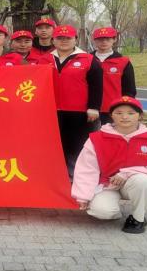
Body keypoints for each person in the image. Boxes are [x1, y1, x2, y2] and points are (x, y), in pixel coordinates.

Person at [72, 97, 147, 234]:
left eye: (131, 113)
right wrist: (83, 195)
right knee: (102, 211)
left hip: (135, 183)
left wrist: (127, 173)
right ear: (111, 115)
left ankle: (137, 218)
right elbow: (86, 168)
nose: (125, 117)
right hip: (107, 185)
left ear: (140, 116)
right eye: (119, 113)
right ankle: (113, 208)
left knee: (143, 182)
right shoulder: (97, 138)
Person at [39, 25, 103, 179]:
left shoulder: (88, 60)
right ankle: (57, 178)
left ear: (75, 39)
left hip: (79, 112)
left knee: (77, 145)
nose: (64, 41)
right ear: (53, 40)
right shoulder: (44, 60)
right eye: (60, 38)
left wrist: (94, 107)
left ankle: (77, 178)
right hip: (51, 110)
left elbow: (97, 86)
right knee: (55, 145)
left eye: (68, 38)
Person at [91, 27, 137, 124]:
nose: (104, 42)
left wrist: (126, 108)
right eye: (100, 39)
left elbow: (129, 89)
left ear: (114, 39)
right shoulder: (87, 59)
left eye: (107, 39)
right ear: (94, 40)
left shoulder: (123, 61)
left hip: (113, 109)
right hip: (90, 109)